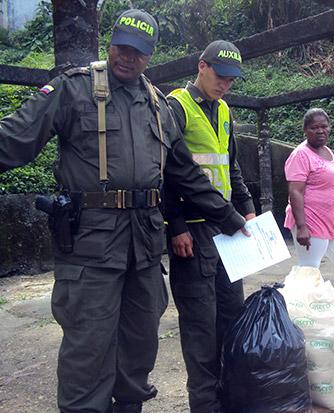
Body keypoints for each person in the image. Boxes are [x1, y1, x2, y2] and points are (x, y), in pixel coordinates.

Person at [0, 10, 247, 413]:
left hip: (145, 247)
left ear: (149, 55)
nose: (127, 57)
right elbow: (14, 138)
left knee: (140, 344)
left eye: (139, 52)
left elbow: (185, 174)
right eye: (122, 47)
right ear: (110, 42)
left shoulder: (156, 105)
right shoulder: (74, 90)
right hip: (92, 248)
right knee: (89, 348)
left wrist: (233, 219)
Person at [163, 40, 255, 413]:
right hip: (194, 234)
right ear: (201, 66)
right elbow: (167, 172)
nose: (226, 84)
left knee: (231, 317)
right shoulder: (175, 107)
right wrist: (175, 225)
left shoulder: (224, 110)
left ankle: (229, 399)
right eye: (221, 76)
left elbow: (230, 166)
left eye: (232, 80)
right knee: (201, 328)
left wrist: (246, 207)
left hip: (227, 233)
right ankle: (205, 406)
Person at [285, 108, 334, 321]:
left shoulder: (330, 152)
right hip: (310, 221)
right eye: (314, 127)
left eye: (324, 126)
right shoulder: (300, 155)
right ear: (305, 130)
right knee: (310, 270)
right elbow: (295, 191)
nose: (320, 131)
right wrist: (301, 226)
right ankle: (304, 316)